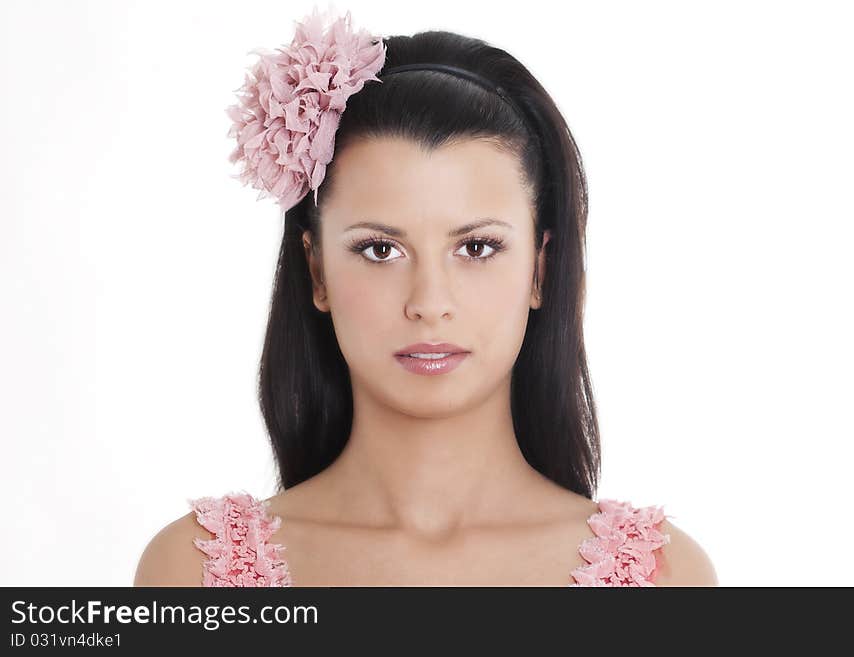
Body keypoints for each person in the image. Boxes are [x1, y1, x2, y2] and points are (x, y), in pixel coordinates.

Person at [134, 7, 718, 587]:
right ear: (317, 272)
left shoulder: (664, 578)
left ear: (540, 270)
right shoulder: (193, 571)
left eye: (478, 248)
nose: (429, 302)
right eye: (381, 250)